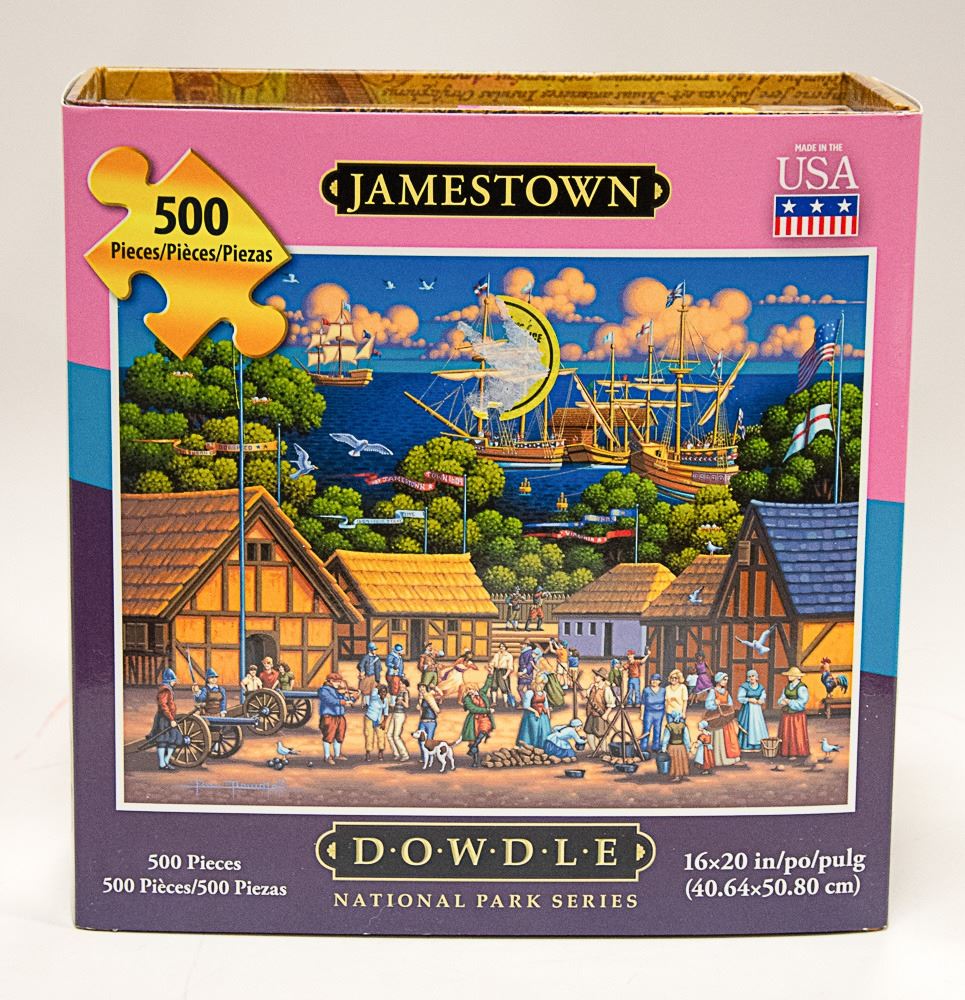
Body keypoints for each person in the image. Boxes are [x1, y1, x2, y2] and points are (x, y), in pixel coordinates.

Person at [705, 672, 741, 766]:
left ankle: (728, 758)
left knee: (728, 739)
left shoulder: (726, 692)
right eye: (724, 679)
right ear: (718, 680)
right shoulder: (713, 692)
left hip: (726, 718)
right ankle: (718, 759)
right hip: (716, 719)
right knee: (718, 739)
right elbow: (708, 705)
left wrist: (727, 707)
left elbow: (730, 704)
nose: (725, 682)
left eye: (726, 680)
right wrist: (714, 703)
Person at [317, 672, 354, 765]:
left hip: (339, 716)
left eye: (339, 681)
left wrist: (353, 698)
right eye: (337, 681)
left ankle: (337, 754)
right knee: (328, 736)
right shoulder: (324, 690)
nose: (339, 683)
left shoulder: (339, 690)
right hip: (329, 716)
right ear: (330, 681)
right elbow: (330, 700)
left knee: (339, 735)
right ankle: (327, 756)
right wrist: (343, 701)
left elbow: (346, 700)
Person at [460, 674, 495, 767]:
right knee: (472, 740)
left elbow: (487, 685)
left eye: (470, 689)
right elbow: (473, 709)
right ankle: (475, 760)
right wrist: (487, 710)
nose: (469, 691)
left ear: (474, 688)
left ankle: (473, 749)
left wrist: (490, 675)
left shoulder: (481, 693)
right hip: (473, 721)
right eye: (467, 690)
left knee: (484, 730)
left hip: (484, 718)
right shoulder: (467, 699)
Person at [147, 673, 181, 771]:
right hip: (163, 718)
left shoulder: (168, 689)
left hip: (168, 717)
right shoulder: (165, 690)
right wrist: (171, 719)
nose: (175, 682)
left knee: (174, 737)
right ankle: (162, 763)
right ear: (169, 680)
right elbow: (163, 705)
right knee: (162, 739)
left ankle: (166, 760)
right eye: (173, 680)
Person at [777, 666, 811, 758]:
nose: (789, 676)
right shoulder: (787, 687)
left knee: (796, 733)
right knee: (786, 733)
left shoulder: (801, 688)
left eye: (792, 675)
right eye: (789, 675)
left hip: (797, 715)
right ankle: (785, 752)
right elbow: (782, 697)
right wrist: (782, 701)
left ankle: (796, 752)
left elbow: (803, 701)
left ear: (797, 677)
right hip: (787, 714)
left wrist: (790, 702)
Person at [737, 668, 769, 751]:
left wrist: (761, 700)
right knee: (748, 725)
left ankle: (757, 744)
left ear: (756, 677)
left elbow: (763, 696)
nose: (751, 678)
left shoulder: (760, 687)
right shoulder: (744, 686)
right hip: (748, 709)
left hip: (757, 709)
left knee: (758, 725)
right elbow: (740, 698)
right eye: (750, 676)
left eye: (753, 676)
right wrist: (749, 699)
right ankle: (747, 745)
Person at [584, 669, 616, 752]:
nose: (595, 677)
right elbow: (587, 696)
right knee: (589, 732)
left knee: (601, 734)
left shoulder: (606, 689)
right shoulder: (593, 686)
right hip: (591, 714)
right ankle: (594, 751)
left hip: (600, 715)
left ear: (602, 678)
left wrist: (606, 714)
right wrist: (587, 692)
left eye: (597, 676)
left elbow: (611, 704)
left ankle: (604, 752)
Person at [516, 677, 551, 748]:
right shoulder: (530, 693)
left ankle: (541, 746)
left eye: (544, 684)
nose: (543, 686)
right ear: (536, 684)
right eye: (541, 684)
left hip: (542, 715)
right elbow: (526, 706)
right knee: (533, 730)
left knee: (544, 731)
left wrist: (548, 714)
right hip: (532, 715)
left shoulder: (544, 693)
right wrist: (535, 712)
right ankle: (529, 746)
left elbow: (546, 705)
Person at [660, 711, 691, 783]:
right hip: (681, 747)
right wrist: (688, 748)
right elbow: (686, 738)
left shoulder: (669, 726)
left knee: (674, 761)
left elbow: (666, 738)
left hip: (672, 747)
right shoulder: (683, 726)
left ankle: (676, 775)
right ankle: (681, 774)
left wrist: (664, 748)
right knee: (681, 760)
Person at [363, 683, 390, 761]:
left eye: (385, 692)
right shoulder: (374, 697)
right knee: (369, 735)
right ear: (379, 693)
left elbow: (386, 712)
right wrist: (377, 686)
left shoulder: (386, 700)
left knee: (381, 735)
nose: (383, 694)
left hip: (378, 719)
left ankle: (381, 752)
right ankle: (368, 753)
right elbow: (374, 690)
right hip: (369, 718)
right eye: (382, 692)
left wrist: (384, 722)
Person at [640, 673, 666, 754]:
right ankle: (643, 747)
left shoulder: (663, 690)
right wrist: (642, 715)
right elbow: (643, 703)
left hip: (659, 713)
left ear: (659, 681)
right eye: (652, 680)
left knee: (657, 729)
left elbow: (666, 702)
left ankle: (656, 747)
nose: (654, 681)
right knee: (646, 730)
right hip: (649, 712)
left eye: (656, 680)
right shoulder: (646, 690)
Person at [386, 678, 411, 761]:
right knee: (389, 734)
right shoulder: (399, 692)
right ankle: (396, 753)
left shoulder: (405, 693)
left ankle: (404, 754)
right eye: (400, 684)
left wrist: (401, 701)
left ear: (405, 685)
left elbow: (407, 705)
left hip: (400, 715)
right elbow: (394, 705)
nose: (401, 685)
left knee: (396, 736)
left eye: (402, 684)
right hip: (395, 714)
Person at [489, 642, 516, 709]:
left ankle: (505, 702)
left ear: (505, 648)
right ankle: (494, 702)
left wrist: (506, 675)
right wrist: (492, 669)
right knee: (494, 686)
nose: (501, 648)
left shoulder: (509, 656)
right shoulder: (496, 655)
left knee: (504, 688)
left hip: (503, 672)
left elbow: (510, 667)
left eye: (503, 646)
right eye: (500, 646)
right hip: (496, 671)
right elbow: (492, 663)